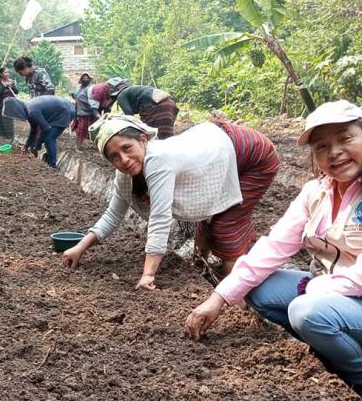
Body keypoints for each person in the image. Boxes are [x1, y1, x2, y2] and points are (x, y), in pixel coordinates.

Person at [185, 100, 362, 400]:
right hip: (349, 303)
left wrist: (313, 288)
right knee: (260, 287)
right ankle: (337, 352)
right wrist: (219, 298)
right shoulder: (318, 191)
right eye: (322, 146)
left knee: (307, 312)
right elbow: (272, 246)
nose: (334, 152)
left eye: (345, 139)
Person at [62, 114, 279, 289]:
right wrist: (80, 247)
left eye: (127, 148)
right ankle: (201, 267)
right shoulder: (126, 174)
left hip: (252, 154)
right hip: (217, 147)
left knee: (225, 225)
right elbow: (114, 213)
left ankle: (236, 295)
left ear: (143, 139)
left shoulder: (158, 161)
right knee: (206, 219)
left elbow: (160, 219)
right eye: (114, 157)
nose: (124, 160)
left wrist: (148, 275)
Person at [3, 95, 75, 168]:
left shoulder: (32, 112)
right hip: (61, 109)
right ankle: (49, 157)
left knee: (49, 139)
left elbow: (46, 129)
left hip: (65, 112)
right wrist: (26, 145)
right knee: (46, 138)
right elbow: (34, 130)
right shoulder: (28, 108)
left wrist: (38, 144)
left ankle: (52, 165)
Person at [92, 79, 178, 139]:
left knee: (153, 135)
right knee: (166, 135)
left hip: (156, 107)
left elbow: (130, 116)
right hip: (170, 104)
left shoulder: (121, 95)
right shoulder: (134, 89)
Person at [71, 72, 98, 148]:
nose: (85, 79)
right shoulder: (79, 88)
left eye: (87, 78)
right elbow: (77, 98)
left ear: (89, 79)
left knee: (93, 127)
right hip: (80, 110)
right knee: (81, 128)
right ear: (81, 79)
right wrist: (73, 95)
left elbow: (92, 98)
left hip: (90, 110)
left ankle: (94, 145)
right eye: (84, 78)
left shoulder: (91, 87)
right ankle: (78, 146)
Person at [0, 67, 19, 139]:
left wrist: (12, 86)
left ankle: (10, 137)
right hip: (1, 104)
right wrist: (4, 87)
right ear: (1, 74)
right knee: (1, 120)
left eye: (8, 72)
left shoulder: (11, 81)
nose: (7, 74)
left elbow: (16, 92)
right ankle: (1, 137)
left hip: (10, 105)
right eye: (5, 72)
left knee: (9, 120)